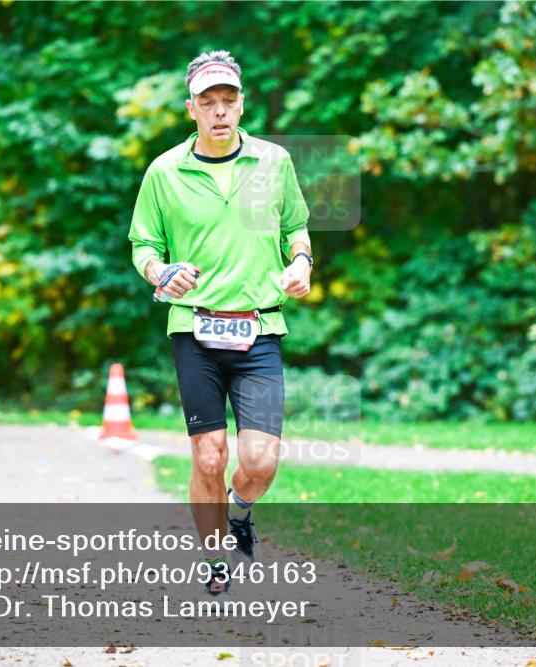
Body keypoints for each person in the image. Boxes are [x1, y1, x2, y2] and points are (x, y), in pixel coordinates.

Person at [128, 50, 313, 596]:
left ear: (241, 104)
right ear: (192, 109)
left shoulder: (274, 162)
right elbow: (144, 245)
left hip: (259, 327)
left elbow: (297, 231)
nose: (219, 111)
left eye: (228, 101)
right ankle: (214, 557)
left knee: (260, 461)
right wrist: (162, 272)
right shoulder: (164, 172)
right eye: (207, 102)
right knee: (209, 455)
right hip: (194, 328)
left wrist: (300, 264)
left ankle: (239, 514)